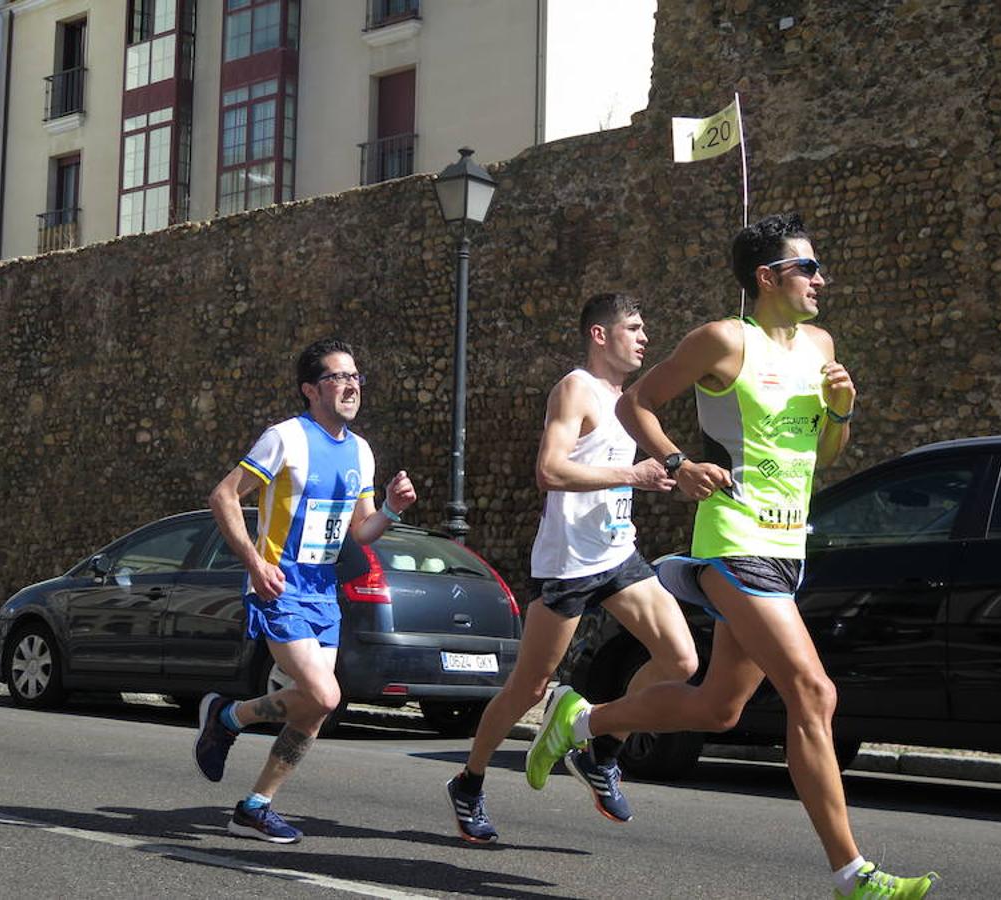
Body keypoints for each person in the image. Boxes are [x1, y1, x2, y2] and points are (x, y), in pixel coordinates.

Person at [524, 215, 939, 898]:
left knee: (718, 708)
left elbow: (823, 457)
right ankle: (851, 874)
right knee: (814, 691)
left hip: (787, 548)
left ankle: (582, 719)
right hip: (734, 540)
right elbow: (636, 404)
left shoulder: (821, 345)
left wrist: (840, 410)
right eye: (808, 268)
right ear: (768, 277)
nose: (821, 279)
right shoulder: (722, 340)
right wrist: (679, 463)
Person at [445, 292, 699, 844]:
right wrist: (630, 476)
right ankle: (469, 781)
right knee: (529, 687)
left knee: (680, 658)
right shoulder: (575, 389)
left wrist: (664, 479)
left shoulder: (630, 399)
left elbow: (624, 470)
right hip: (568, 563)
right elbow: (550, 470)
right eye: (633, 327)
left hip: (618, 552)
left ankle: (601, 748)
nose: (644, 337)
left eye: (644, 327)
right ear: (600, 335)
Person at [193, 337, 416, 844]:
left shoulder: (360, 449)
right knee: (324, 693)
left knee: (315, 706)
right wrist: (254, 563)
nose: (352, 385)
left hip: (322, 592)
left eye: (356, 376)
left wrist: (391, 510)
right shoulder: (286, 438)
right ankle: (226, 719)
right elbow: (223, 496)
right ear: (311, 389)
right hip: (280, 588)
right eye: (339, 377)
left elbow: (360, 531)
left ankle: (252, 798)